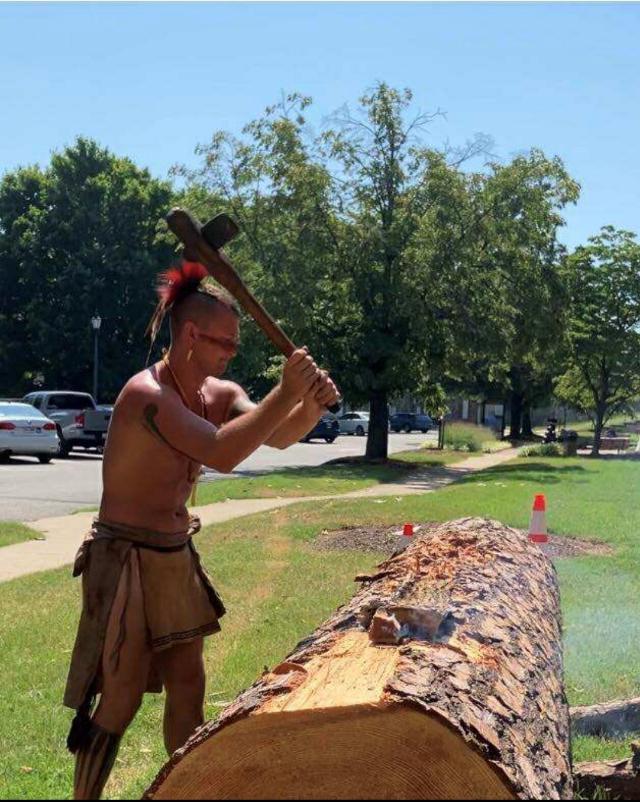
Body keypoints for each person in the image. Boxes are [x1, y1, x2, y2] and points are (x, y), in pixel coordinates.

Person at [63, 260, 339, 800]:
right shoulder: (147, 397)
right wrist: (288, 391)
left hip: (173, 554)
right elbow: (223, 452)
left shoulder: (215, 393)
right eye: (225, 344)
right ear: (191, 335)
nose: (232, 354)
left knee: (188, 687)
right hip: (125, 558)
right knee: (119, 700)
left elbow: (276, 435)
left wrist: (311, 402)